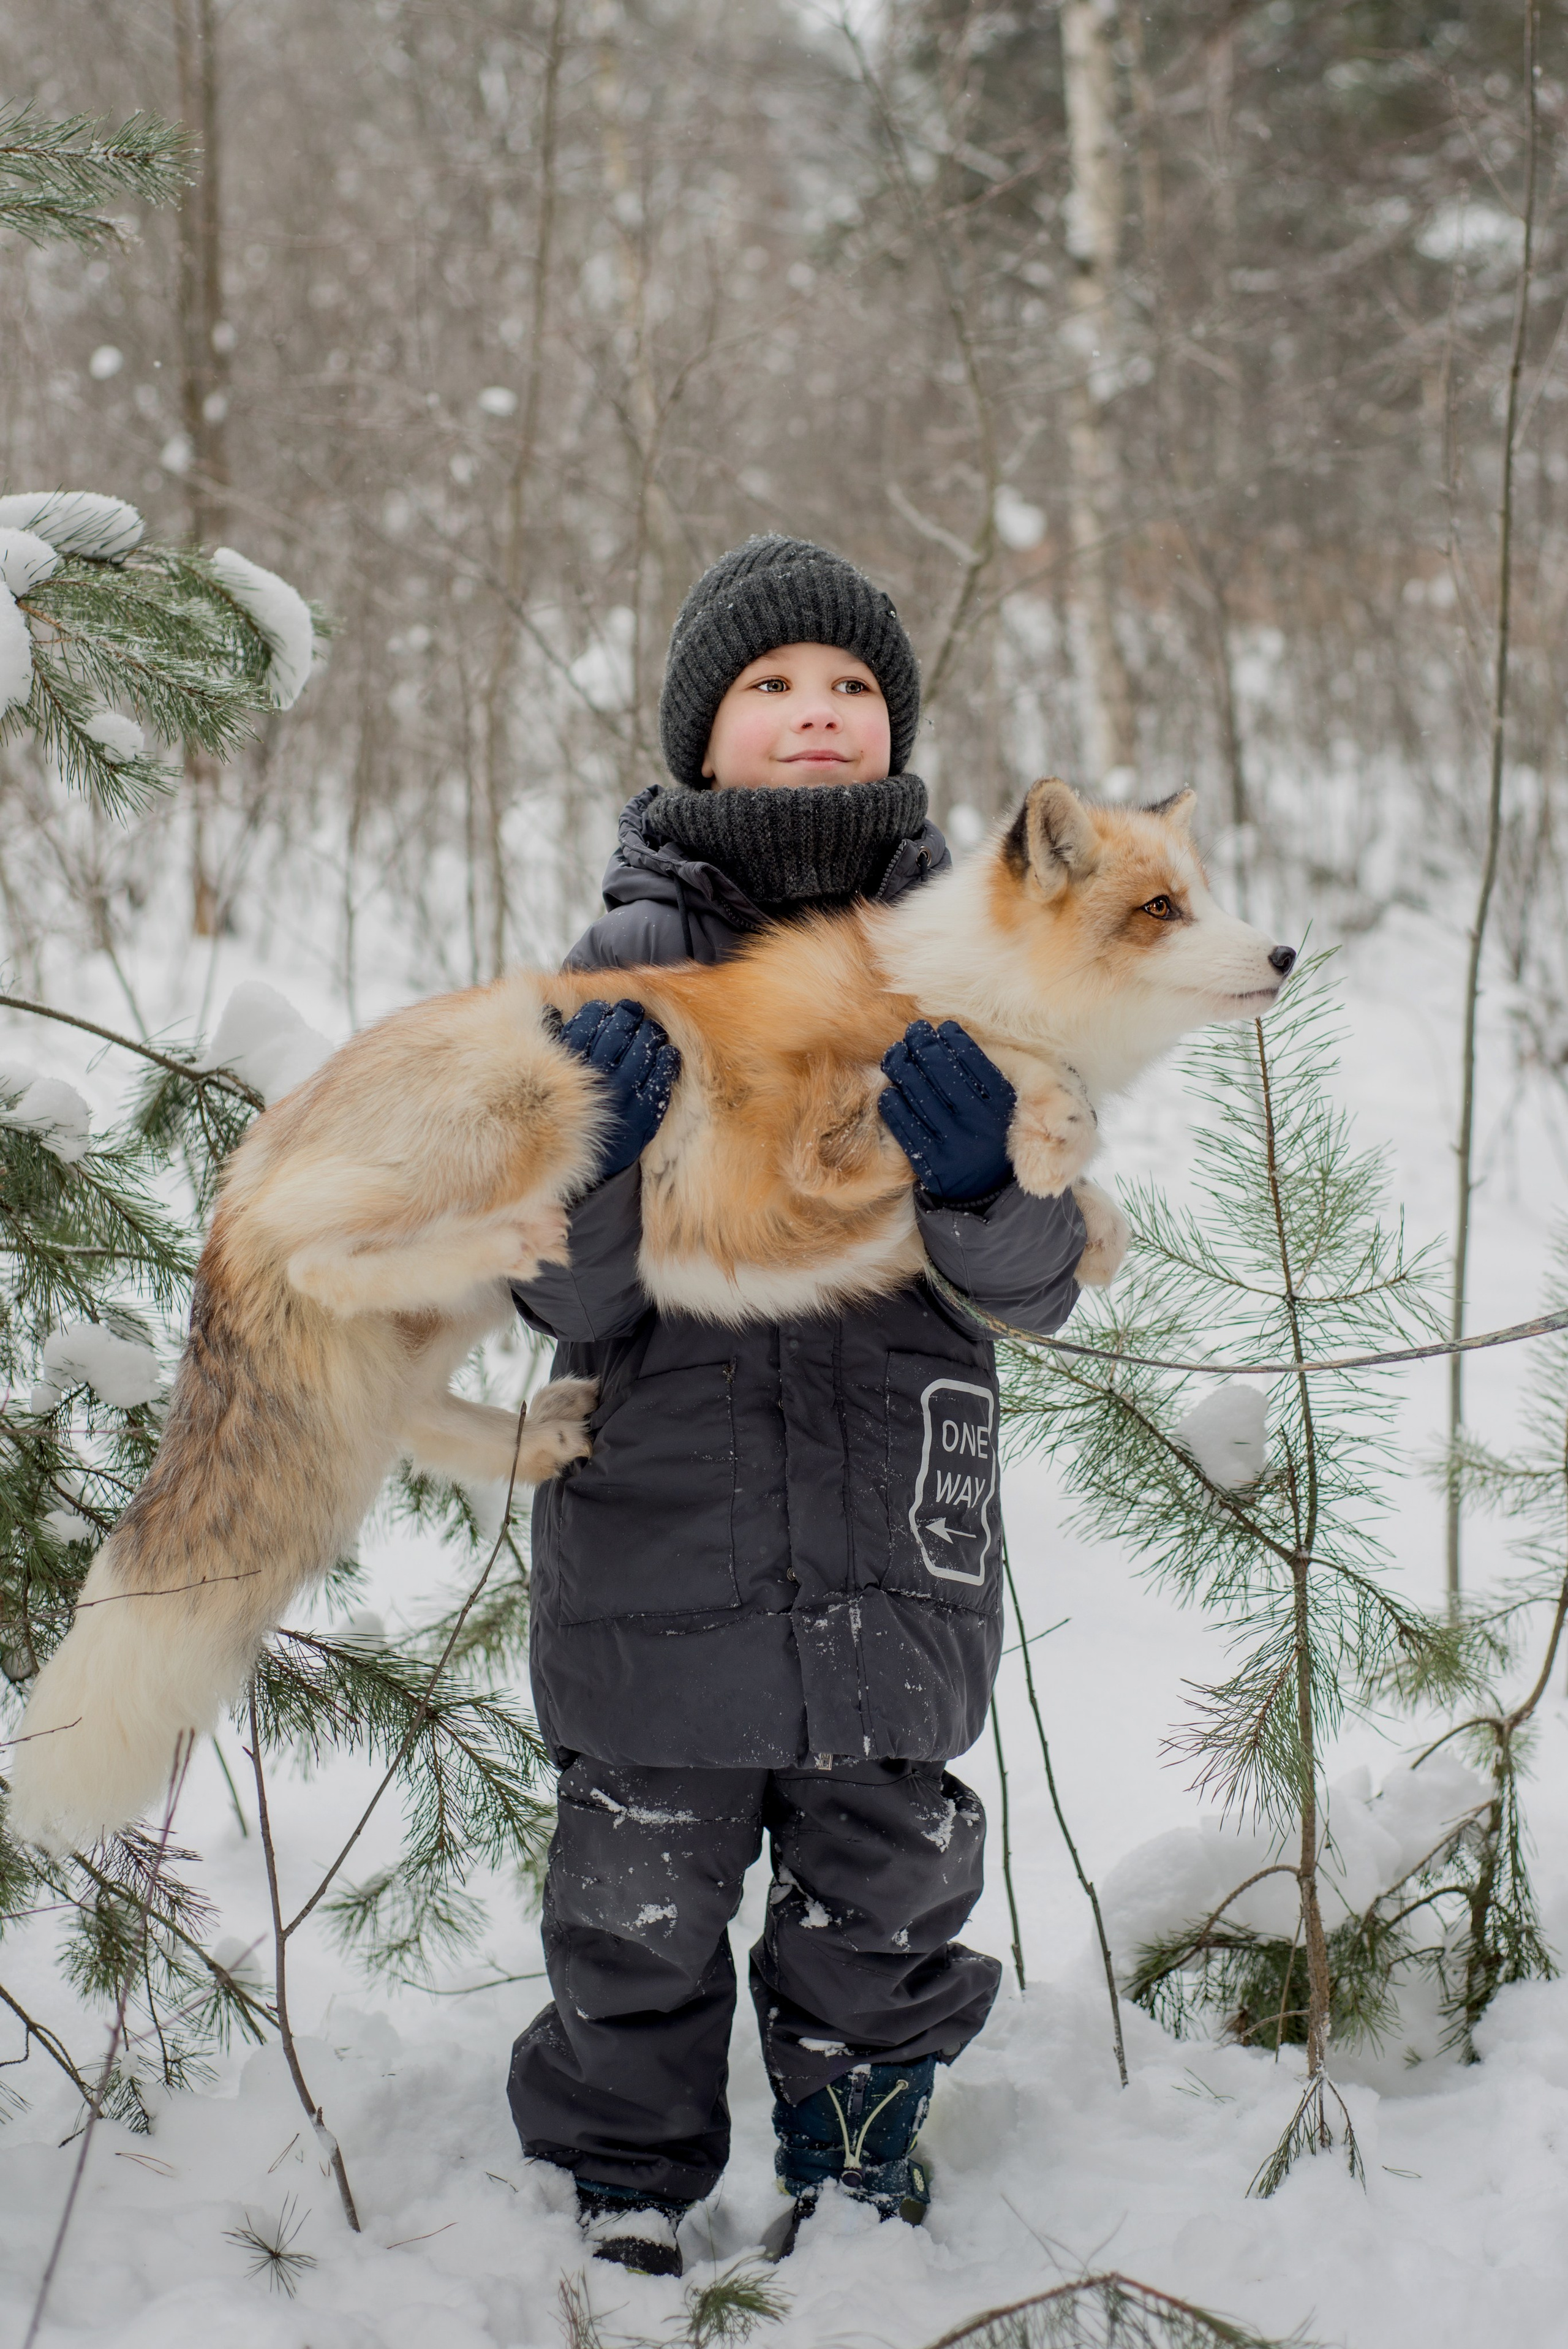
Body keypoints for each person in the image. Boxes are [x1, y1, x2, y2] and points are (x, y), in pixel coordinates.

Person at [507, 535, 1085, 2277]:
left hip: (897, 1533)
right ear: (705, 735)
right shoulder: (620, 963)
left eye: (848, 686)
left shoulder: (973, 968)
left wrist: (988, 1173)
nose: (815, 714)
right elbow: (565, 1298)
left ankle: (859, 2147)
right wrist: (588, 1166)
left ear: (891, 724)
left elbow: (1033, 1283)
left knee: (887, 1880)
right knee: (636, 1897)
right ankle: (624, 2171)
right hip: (655, 1545)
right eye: (772, 686)